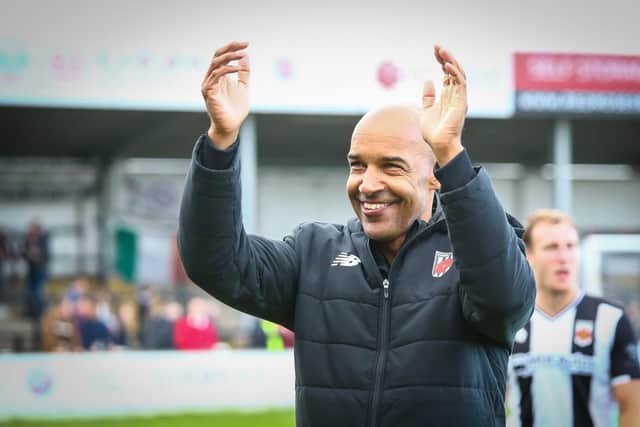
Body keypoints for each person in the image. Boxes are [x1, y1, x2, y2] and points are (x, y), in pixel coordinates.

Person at [178, 40, 536, 426]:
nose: (367, 184)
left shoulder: (478, 249)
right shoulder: (313, 251)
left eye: (391, 167)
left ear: (435, 176)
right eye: (357, 165)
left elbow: (503, 301)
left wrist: (450, 152)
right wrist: (220, 142)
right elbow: (214, 262)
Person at [507, 209, 640, 427]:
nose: (563, 257)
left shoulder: (610, 319)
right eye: (551, 247)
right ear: (528, 255)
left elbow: (633, 405)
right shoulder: (510, 319)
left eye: (570, 246)